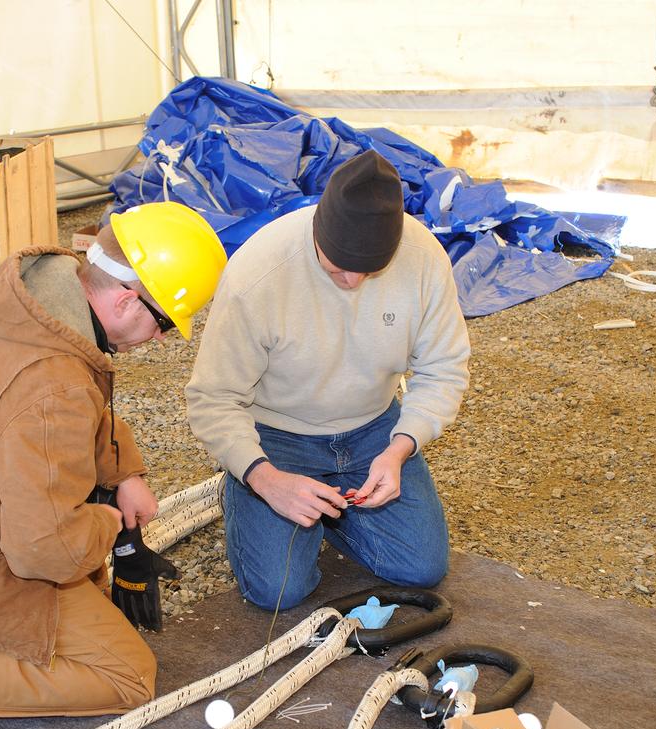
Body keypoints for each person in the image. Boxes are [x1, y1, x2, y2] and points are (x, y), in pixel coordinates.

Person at [0, 202, 226, 729]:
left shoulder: (38, 305)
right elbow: (43, 552)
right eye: (164, 326)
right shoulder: (56, 384)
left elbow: (81, 420)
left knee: (87, 577)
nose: (159, 341)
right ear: (128, 300)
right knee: (128, 675)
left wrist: (126, 474)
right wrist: (110, 523)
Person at [185, 150, 470, 611]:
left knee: (421, 570)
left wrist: (401, 447)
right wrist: (263, 477)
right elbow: (213, 398)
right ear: (317, 229)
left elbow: (444, 367)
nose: (354, 282)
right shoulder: (259, 272)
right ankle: (247, 487)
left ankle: (330, 514)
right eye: (337, 268)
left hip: (374, 428)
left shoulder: (423, 259)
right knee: (277, 591)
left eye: (370, 270)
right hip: (278, 436)